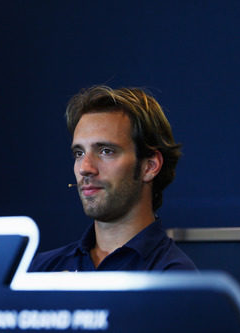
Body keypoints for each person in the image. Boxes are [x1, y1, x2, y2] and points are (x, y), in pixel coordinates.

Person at [29, 85, 196, 271]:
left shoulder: (173, 277)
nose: (85, 168)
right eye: (79, 153)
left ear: (149, 166)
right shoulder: (41, 270)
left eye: (106, 151)